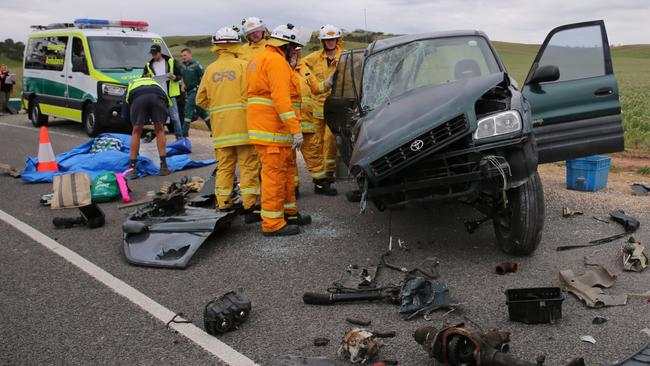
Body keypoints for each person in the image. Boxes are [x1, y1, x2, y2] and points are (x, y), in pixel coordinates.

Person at [247, 23, 312, 236]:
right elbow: (281, 99)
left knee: (285, 173)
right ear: (285, 46)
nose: (296, 53)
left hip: (273, 130)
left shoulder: (260, 58)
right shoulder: (275, 62)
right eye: (294, 48)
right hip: (273, 130)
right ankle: (273, 224)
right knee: (275, 177)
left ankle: (288, 213)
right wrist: (296, 129)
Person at [196, 27, 261, 223]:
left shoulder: (210, 70)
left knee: (225, 167)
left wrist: (217, 107)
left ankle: (223, 203)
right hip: (244, 127)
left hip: (221, 130)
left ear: (216, 46)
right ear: (236, 44)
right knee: (248, 166)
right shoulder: (244, 65)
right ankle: (250, 208)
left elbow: (200, 100)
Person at [293, 48, 337, 196]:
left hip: (305, 121)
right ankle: (292, 189)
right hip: (287, 123)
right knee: (288, 158)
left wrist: (328, 83)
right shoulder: (279, 68)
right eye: (291, 49)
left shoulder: (303, 68)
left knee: (314, 152)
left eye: (296, 50)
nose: (294, 53)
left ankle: (320, 185)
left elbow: (316, 88)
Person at [304, 24, 345, 179]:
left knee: (330, 140)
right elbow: (300, 66)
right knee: (317, 141)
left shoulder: (345, 56)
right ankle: (319, 172)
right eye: (327, 40)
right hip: (317, 107)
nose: (330, 42)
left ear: (337, 40)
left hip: (335, 106)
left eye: (333, 39)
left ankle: (329, 170)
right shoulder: (314, 57)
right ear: (323, 41)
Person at [121, 77, 172, 179]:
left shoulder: (131, 84)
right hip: (157, 96)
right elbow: (168, 104)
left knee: (136, 132)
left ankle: (133, 169)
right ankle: (163, 166)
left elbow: (125, 112)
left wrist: (134, 124)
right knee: (160, 130)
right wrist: (160, 122)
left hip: (138, 97)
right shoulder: (155, 83)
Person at [143, 44, 183, 140]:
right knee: (158, 118)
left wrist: (175, 78)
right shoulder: (149, 65)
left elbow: (180, 75)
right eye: (152, 54)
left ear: (160, 52)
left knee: (174, 117)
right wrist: (146, 76)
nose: (153, 56)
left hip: (170, 94)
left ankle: (179, 137)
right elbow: (143, 78)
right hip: (157, 95)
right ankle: (155, 135)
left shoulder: (171, 61)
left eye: (155, 54)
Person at [179, 48, 209, 137]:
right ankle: (213, 129)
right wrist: (182, 85)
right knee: (201, 112)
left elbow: (204, 77)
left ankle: (184, 134)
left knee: (188, 110)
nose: (183, 57)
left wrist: (202, 89)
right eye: (182, 56)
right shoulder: (182, 65)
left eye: (185, 55)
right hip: (188, 91)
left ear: (190, 55)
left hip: (195, 91)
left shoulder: (196, 65)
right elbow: (183, 77)